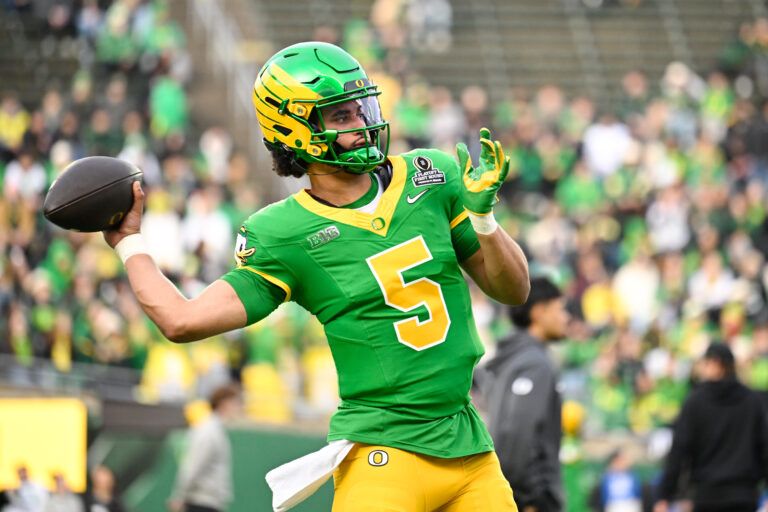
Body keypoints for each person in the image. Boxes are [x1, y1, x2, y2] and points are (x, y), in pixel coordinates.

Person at [103, 41, 530, 510]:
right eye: (341, 116)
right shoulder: (284, 233)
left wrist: (485, 221)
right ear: (295, 130)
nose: (362, 123)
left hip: (468, 446)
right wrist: (129, 241)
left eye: (361, 107)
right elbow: (181, 320)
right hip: (384, 452)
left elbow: (513, 290)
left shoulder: (431, 176)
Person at [476, 277, 569, 512]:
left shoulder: (511, 358)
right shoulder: (534, 364)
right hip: (529, 500)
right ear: (539, 312)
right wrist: (529, 499)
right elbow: (517, 432)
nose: (566, 317)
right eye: (560, 309)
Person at [654, 342, 768, 512]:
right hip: (744, 495)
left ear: (716, 363)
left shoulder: (695, 402)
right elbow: (765, 448)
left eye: (705, 363)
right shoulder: (752, 401)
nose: (702, 368)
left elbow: (679, 450)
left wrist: (664, 495)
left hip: (707, 496)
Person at [168, 384, 241, 512]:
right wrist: (179, 496)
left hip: (209, 503)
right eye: (236, 403)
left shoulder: (215, 430)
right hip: (200, 503)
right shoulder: (209, 430)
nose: (240, 407)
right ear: (225, 403)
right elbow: (193, 465)